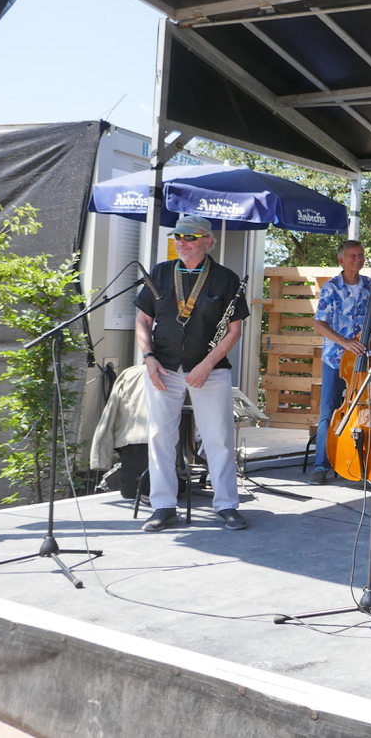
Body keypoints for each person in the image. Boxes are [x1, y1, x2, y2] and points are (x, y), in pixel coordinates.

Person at [135, 215, 250, 532]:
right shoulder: (160, 272)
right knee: (160, 437)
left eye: (189, 236)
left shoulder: (226, 278)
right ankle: (162, 505)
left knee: (220, 440)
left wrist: (206, 365)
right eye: (177, 235)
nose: (181, 241)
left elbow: (234, 330)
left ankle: (226, 505)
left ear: (208, 241)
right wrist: (148, 357)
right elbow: (143, 321)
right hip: (163, 366)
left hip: (209, 370)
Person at [311, 237, 371, 484]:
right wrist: (345, 342)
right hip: (336, 359)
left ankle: (361, 458)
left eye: (361, 255)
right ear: (341, 260)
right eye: (353, 256)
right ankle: (320, 465)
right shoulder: (331, 287)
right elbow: (319, 323)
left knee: (370, 408)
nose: (359, 259)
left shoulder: (369, 285)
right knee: (329, 411)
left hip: (364, 362)